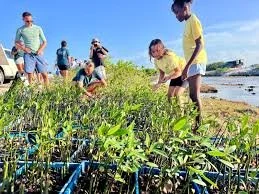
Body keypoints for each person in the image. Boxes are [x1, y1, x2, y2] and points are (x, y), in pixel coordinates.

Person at [171, 0, 208, 133]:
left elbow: (200, 45)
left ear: (185, 7)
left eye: (177, 12)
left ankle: (198, 126)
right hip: (192, 63)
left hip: (196, 61)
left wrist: (186, 67)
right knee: (192, 95)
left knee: (194, 95)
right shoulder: (188, 23)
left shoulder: (193, 20)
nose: (176, 16)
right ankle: (197, 125)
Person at [15, 11, 49, 85]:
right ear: (23, 19)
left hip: (39, 54)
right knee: (30, 75)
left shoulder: (38, 28)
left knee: (45, 75)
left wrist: (40, 50)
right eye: (27, 21)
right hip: (28, 55)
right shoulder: (20, 30)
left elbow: (45, 42)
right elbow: (16, 42)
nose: (30, 22)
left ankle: (48, 92)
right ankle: (31, 93)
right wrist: (24, 49)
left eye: (31, 21)